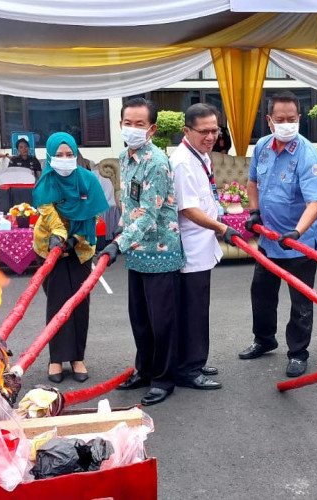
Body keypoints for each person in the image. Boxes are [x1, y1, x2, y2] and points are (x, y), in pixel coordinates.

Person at [98, 97, 185, 406]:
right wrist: (121, 238)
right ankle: (144, 369)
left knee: (162, 323)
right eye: (127, 123)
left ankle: (163, 379)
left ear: (152, 129)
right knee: (140, 320)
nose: (132, 129)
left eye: (139, 124)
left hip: (161, 254)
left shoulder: (157, 163)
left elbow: (148, 215)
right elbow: (130, 205)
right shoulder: (124, 156)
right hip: (137, 252)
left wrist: (116, 244)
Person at [239, 91, 317, 378]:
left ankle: (298, 353)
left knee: (300, 302)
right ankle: (264, 340)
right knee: (261, 293)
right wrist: (254, 212)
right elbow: (252, 181)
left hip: (298, 244)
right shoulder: (262, 146)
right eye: (280, 119)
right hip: (268, 241)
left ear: (299, 119)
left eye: (292, 119)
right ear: (269, 121)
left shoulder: (307, 154)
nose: (286, 123)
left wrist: (297, 232)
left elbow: (315, 201)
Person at [171, 103, 242, 391]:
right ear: (187, 131)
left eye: (215, 130)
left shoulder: (201, 155)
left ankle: (194, 361)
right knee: (193, 312)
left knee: (197, 310)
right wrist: (223, 227)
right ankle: (190, 370)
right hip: (190, 248)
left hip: (202, 244)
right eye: (204, 131)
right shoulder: (183, 162)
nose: (211, 136)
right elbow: (188, 209)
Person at [33, 132, 108, 383]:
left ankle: (78, 357)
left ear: (76, 155)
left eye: (69, 155)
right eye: (59, 155)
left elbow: (95, 213)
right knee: (57, 302)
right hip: (50, 247)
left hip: (81, 248)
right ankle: (56, 359)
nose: (65, 159)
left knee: (78, 303)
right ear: (50, 157)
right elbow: (50, 216)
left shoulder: (87, 179)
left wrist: (76, 239)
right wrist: (61, 237)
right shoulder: (45, 183)